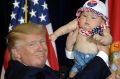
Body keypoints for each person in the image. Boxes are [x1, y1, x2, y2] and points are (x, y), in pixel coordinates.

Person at [50, 0, 112, 78]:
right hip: (78, 60)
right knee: (72, 74)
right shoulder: (77, 23)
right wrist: (55, 34)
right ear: (80, 15)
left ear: (102, 21)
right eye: (84, 16)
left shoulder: (102, 29)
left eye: (93, 17)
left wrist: (102, 39)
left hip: (94, 61)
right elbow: (65, 28)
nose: (87, 20)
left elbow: (109, 39)